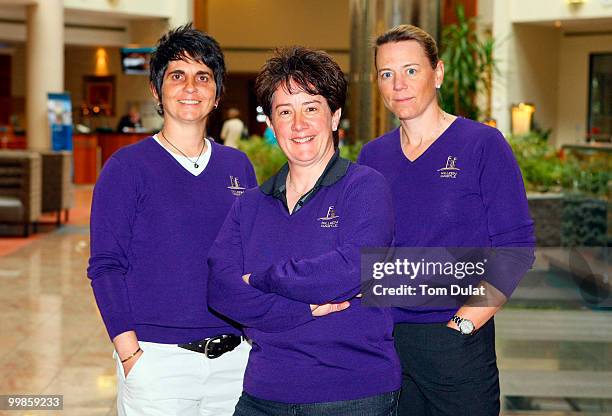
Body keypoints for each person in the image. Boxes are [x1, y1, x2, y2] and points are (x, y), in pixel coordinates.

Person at [207, 46, 401, 415]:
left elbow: (352, 268)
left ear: (334, 117)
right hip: (264, 391)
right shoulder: (249, 204)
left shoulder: (365, 188)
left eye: (311, 108)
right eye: (285, 111)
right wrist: (306, 308)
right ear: (272, 124)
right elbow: (221, 290)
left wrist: (261, 279)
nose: (298, 124)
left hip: (353, 393)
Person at [358, 25, 535, 416]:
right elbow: (364, 250)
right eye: (387, 74)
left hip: (457, 345)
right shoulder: (373, 157)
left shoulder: (482, 145)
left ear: (437, 73)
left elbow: (516, 248)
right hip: (387, 345)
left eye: (411, 70)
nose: (398, 84)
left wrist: (463, 326)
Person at [87, 24, 257, 416]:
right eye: (177, 76)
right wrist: (130, 355)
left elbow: (248, 259)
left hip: (234, 364)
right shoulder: (126, 168)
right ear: (156, 90)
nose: (191, 87)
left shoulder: (238, 166)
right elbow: (106, 267)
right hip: (157, 363)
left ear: (217, 93)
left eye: (203, 77)